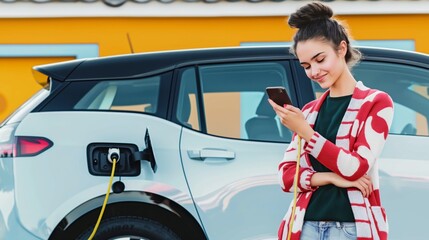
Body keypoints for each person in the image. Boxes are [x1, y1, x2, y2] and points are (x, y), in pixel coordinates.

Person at [268, 2, 393, 240]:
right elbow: (286, 177)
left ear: (341, 48)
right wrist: (331, 178)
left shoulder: (376, 103)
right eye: (306, 66)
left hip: (350, 228)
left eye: (319, 59)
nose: (314, 71)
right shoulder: (308, 111)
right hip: (304, 225)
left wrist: (306, 132)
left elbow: (356, 167)